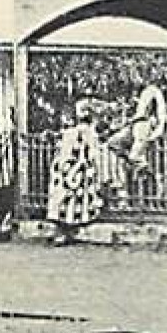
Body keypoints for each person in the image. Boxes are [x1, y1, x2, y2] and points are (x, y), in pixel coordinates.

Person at [46, 102, 103, 246]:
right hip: (79, 169)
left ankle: (63, 232)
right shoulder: (90, 133)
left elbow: (61, 153)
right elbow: (93, 155)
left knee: (63, 200)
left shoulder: (69, 133)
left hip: (67, 169)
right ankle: (67, 231)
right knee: (75, 201)